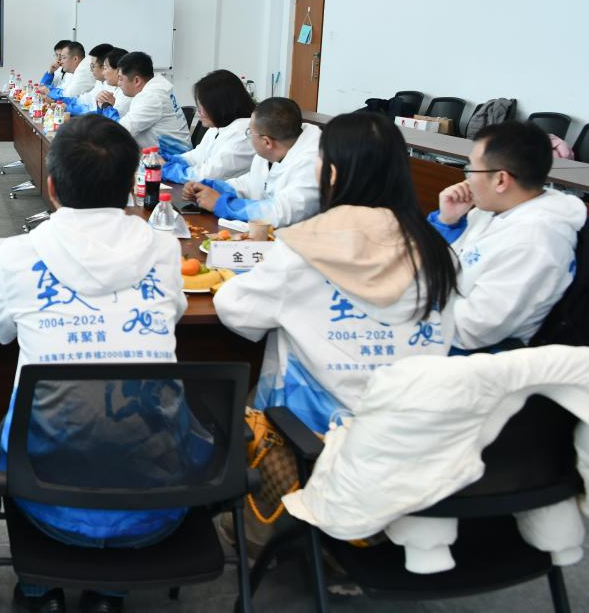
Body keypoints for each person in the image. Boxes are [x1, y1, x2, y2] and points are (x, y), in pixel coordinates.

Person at [0, 114, 196, 613]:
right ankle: (109, 593)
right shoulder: (163, 249)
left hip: (44, 492)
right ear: (131, 185)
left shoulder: (21, 253)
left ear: (50, 187)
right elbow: (175, 313)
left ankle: (39, 590)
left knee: (39, 424)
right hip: (157, 493)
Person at [214, 111, 458, 433]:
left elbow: (236, 309)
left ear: (331, 173)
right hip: (417, 432)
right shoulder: (439, 252)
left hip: (317, 436)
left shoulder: (303, 248)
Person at [428, 120, 586, 350]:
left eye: (471, 169)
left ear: (501, 180)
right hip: (438, 315)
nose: (467, 179)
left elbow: (470, 330)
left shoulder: (535, 243)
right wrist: (447, 223)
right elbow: (424, 262)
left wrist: (412, 303)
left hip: (470, 352)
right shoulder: (493, 208)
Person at [183, 97, 321, 227]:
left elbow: (281, 213)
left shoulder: (312, 163)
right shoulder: (274, 148)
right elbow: (251, 183)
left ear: (266, 142)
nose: (248, 136)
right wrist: (213, 188)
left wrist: (222, 205)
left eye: (250, 132)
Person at [162, 69, 257, 183]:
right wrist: (170, 160)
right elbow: (198, 155)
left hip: (227, 191)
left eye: (202, 106)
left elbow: (210, 174)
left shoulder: (244, 132)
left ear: (219, 105)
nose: (199, 111)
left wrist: (167, 169)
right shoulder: (218, 127)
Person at [115, 50, 192, 155]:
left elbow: (121, 131)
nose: (118, 83)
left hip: (170, 159)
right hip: (170, 154)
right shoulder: (157, 88)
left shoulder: (151, 97)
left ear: (137, 81)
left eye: (120, 79)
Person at [91, 46, 133, 118]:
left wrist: (107, 106)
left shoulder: (127, 95)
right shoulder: (113, 88)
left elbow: (114, 121)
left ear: (118, 70)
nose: (103, 73)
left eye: (105, 68)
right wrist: (100, 105)